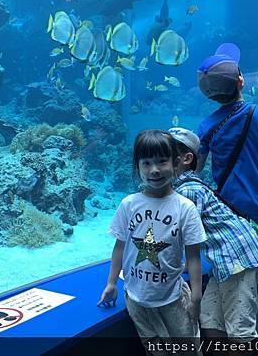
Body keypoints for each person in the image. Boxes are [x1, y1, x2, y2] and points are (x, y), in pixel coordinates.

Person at [196, 43, 258, 354]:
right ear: (242, 82)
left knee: (235, 273)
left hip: (232, 215)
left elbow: (197, 169)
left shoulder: (207, 126)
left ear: (208, 94)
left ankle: (228, 337)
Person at [98, 130, 207, 355]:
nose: (154, 170)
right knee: (155, 349)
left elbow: (194, 257)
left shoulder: (185, 207)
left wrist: (196, 297)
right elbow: (120, 247)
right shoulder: (129, 204)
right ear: (137, 166)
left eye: (162, 161)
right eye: (146, 163)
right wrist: (111, 283)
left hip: (172, 298)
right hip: (136, 299)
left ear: (176, 163)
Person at [169, 127, 258, 347]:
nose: (159, 159)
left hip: (237, 261)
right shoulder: (186, 187)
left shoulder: (187, 191)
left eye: (166, 153)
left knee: (240, 328)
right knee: (210, 319)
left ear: (186, 158)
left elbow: (181, 234)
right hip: (225, 263)